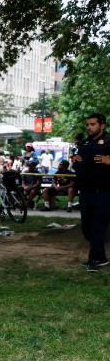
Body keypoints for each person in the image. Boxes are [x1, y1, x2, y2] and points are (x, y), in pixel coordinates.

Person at [72, 113, 110, 272]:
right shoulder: (85, 143)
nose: (89, 127)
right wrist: (76, 161)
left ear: (102, 125)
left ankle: (96, 259)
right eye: (88, 124)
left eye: (93, 124)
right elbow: (80, 165)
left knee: (97, 226)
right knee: (87, 227)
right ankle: (98, 255)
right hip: (86, 191)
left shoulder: (109, 142)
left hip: (104, 192)